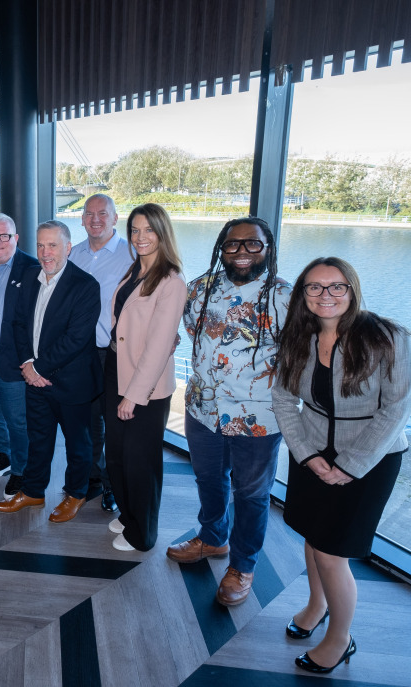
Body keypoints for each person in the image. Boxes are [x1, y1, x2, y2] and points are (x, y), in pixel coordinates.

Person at [272, 257, 411, 674]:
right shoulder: (298, 337)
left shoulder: (387, 337)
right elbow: (283, 400)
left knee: (333, 552)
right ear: (303, 295)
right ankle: (317, 605)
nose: (326, 296)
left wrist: (350, 466)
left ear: (352, 290)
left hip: (371, 458)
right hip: (312, 453)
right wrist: (307, 454)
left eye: (337, 287)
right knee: (312, 535)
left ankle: (341, 637)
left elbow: (397, 409)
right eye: (314, 288)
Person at [166, 216, 291, 607]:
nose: (241, 252)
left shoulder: (285, 297)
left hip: (258, 416)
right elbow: (192, 332)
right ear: (221, 248)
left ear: (267, 249)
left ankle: (243, 565)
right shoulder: (200, 289)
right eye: (232, 244)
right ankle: (212, 539)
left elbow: (298, 355)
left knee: (252, 495)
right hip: (203, 408)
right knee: (208, 479)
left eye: (252, 244)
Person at [0, 221, 101, 523]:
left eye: (52, 245)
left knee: (78, 444)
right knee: (38, 439)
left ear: (68, 247)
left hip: (71, 382)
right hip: (35, 379)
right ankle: (33, 491)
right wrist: (28, 364)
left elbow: (76, 339)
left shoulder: (85, 286)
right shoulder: (29, 277)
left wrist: (35, 367)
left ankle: (76, 494)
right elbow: (16, 324)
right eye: (40, 245)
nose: (45, 252)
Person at [103, 204, 187, 552]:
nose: (140, 237)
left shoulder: (172, 281)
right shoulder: (134, 270)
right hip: (114, 369)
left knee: (141, 461)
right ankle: (128, 513)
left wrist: (133, 396)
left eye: (149, 230)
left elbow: (158, 346)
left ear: (162, 233)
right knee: (117, 454)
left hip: (145, 387)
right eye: (135, 230)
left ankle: (143, 533)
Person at [69, 194, 133, 513]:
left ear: (115, 218)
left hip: (115, 355)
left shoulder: (132, 254)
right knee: (88, 422)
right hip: (80, 354)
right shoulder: (73, 254)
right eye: (89, 213)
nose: (95, 219)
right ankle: (93, 477)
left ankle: (113, 485)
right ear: (81, 219)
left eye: (102, 213)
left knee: (116, 424)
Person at [0, 213, 38, 499]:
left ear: (16, 238)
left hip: (13, 361)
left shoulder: (32, 268)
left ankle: (22, 470)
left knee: (18, 420)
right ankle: (5, 454)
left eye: (4, 235)